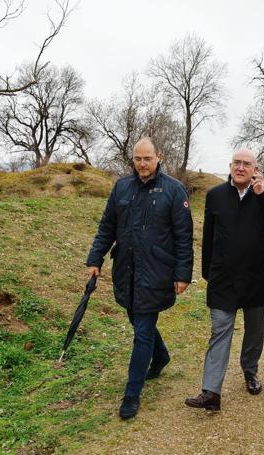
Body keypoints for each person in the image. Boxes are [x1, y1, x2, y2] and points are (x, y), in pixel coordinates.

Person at [86, 137, 193, 419]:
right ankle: (161, 356)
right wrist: (95, 258)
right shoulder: (122, 187)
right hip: (126, 269)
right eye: (137, 159)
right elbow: (107, 226)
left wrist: (183, 274)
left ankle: (132, 394)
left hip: (157, 270)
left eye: (147, 158)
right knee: (136, 318)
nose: (142, 164)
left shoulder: (173, 190)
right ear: (132, 160)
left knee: (143, 330)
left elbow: (184, 238)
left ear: (158, 156)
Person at [184, 149, 264, 411]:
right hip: (223, 278)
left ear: (256, 169)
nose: (240, 168)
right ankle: (211, 391)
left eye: (247, 164)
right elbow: (209, 236)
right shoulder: (216, 195)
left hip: (258, 277)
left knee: (254, 332)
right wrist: (208, 271)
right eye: (236, 163)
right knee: (219, 332)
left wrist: (263, 195)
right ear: (230, 166)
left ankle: (250, 371)